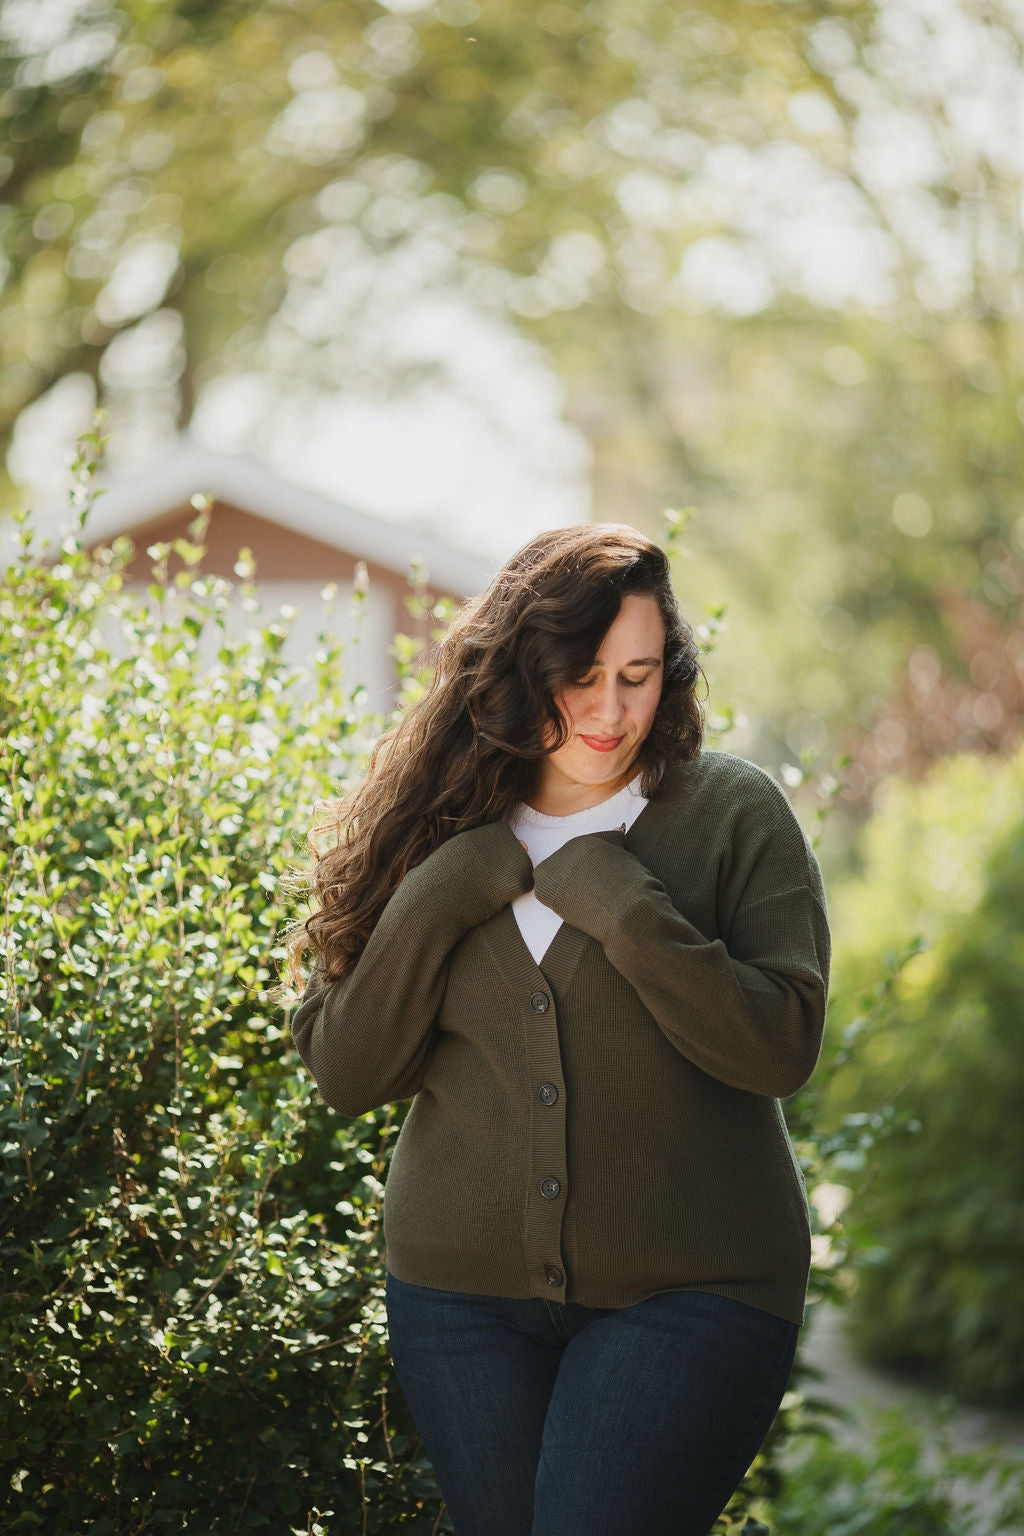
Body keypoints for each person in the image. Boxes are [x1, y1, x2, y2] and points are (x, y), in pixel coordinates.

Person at [288, 523, 831, 1536]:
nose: (610, 711)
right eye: (580, 676)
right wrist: (438, 897)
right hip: (458, 1303)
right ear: (519, 670)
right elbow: (347, 1070)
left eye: (637, 676)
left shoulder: (730, 814)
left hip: (697, 1289)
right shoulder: (434, 827)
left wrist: (628, 911)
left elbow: (780, 1046)